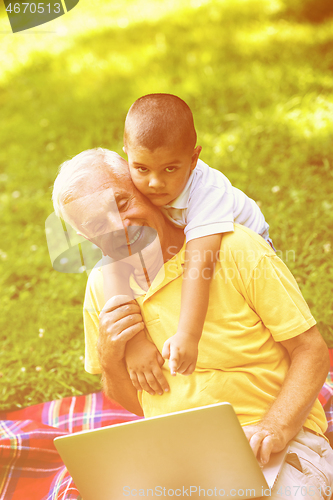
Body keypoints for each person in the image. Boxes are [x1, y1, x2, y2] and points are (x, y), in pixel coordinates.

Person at [52, 150, 333, 499]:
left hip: (276, 440)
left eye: (122, 204)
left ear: (146, 190)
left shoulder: (235, 248)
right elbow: (138, 401)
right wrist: (110, 355)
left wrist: (275, 427)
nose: (118, 227)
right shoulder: (103, 288)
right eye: (96, 225)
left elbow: (312, 351)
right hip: (180, 460)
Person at [102, 93, 271, 378]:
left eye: (170, 168)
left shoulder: (208, 192)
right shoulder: (132, 184)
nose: (155, 182)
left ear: (193, 159)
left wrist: (188, 336)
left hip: (244, 268)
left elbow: (201, 263)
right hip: (186, 254)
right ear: (126, 156)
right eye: (141, 168)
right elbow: (114, 257)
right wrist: (135, 344)